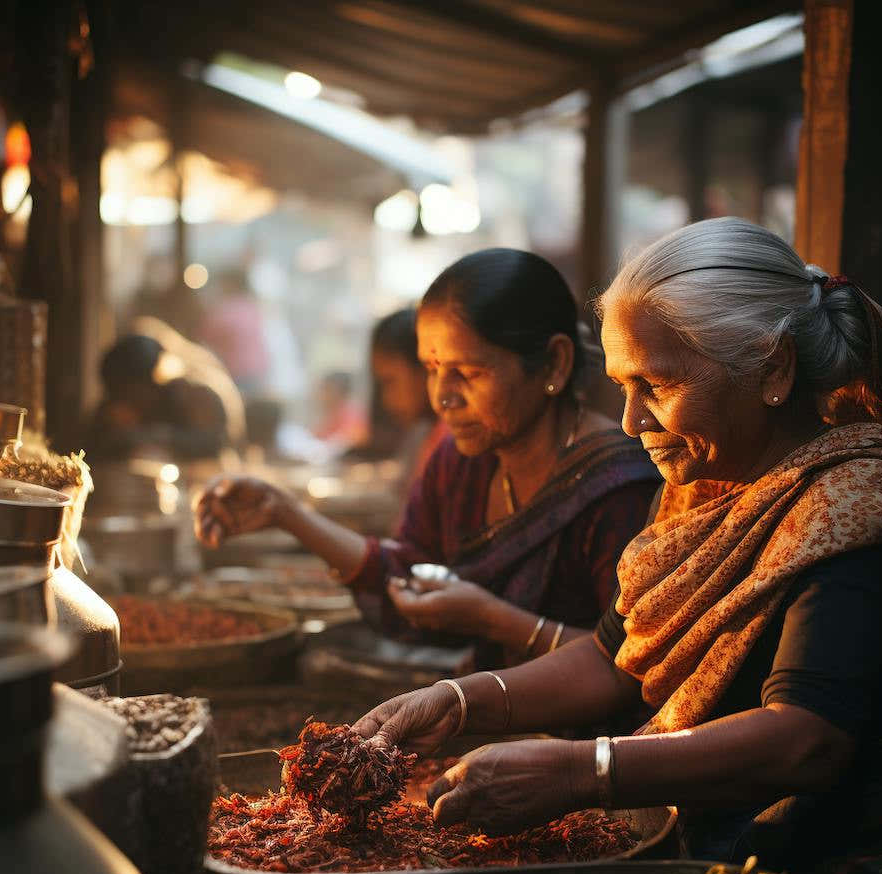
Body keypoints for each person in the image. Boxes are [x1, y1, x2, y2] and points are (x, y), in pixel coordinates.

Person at [354, 219, 882, 874]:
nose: (626, 420)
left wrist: (586, 772)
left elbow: (806, 741)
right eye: (620, 385)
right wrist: (462, 701)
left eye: (656, 384)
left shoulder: (851, 505)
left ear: (773, 370)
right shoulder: (705, 483)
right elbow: (616, 659)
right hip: (736, 837)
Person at [195, 249, 660, 664]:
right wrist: (285, 512)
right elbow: (410, 574)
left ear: (555, 363)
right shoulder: (462, 459)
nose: (442, 398)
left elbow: (630, 664)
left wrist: (494, 620)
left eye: (468, 372)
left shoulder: (618, 487)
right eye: (433, 369)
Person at [85, 332, 228, 461]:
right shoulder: (116, 407)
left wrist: (155, 437)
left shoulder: (195, 397)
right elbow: (94, 447)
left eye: (134, 392)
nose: (130, 403)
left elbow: (214, 445)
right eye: (121, 394)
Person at [368, 307, 447, 487]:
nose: (386, 400)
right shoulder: (422, 434)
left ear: (425, 367)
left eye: (390, 381)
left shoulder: (450, 441)